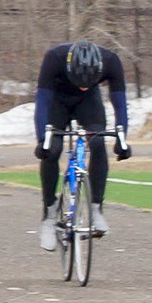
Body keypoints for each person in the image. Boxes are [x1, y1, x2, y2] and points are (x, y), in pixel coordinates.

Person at [32, 41, 131, 249]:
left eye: (89, 81)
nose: (83, 84)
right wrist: (43, 139)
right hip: (56, 101)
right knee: (52, 150)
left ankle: (96, 210)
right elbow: (42, 101)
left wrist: (122, 139)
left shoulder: (111, 61)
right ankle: (49, 216)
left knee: (97, 143)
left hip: (88, 103)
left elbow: (120, 103)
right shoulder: (54, 58)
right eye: (80, 81)